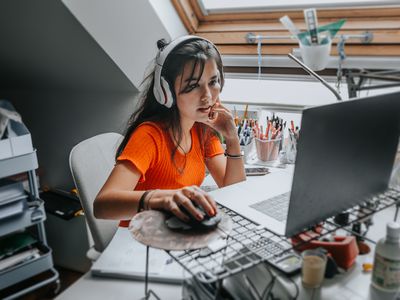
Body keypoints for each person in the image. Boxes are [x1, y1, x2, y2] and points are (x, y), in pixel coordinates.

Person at [94, 35, 246, 225]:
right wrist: (161, 199)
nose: (208, 96)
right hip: (139, 239)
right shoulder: (149, 135)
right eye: (193, 86)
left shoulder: (202, 129)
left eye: (213, 81)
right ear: (166, 92)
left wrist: (232, 138)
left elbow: (234, 189)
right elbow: (102, 205)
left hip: (177, 231)